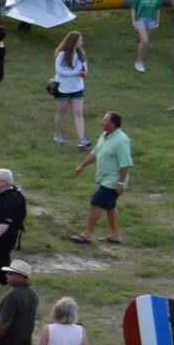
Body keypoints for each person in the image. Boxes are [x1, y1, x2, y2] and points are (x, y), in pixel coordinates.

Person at [69, 111, 133, 245]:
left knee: (96, 203)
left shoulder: (121, 140)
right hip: (106, 178)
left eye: (105, 121)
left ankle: (87, 234)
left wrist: (120, 183)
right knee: (110, 206)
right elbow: (95, 153)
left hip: (113, 180)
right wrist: (82, 166)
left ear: (113, 124)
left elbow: (126, 164)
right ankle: (115, 235)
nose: (101, 122)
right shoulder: (105, 135)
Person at [50, 31, 89, 148]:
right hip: (63, 88)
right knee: (61, 112)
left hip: (77, 87)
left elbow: (85, 69)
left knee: (78, 113)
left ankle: (82, 139)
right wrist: (75, 72)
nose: (82, 42)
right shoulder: (62, 54)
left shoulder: (81, 54)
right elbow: (60, 71)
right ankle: (57, 133)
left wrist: (83, 73)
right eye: (80, 40)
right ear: (74, 41)